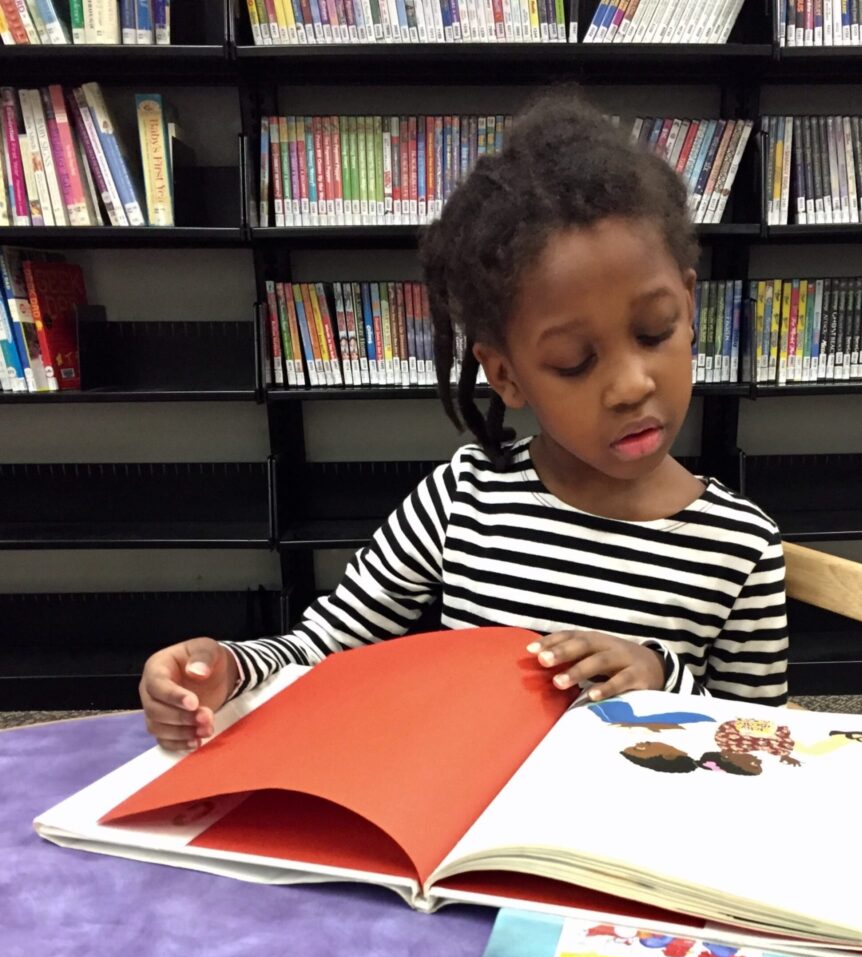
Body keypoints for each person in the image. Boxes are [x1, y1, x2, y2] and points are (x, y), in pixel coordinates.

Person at [139, 90, 789, 751]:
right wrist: (224, 670)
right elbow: (323, 647)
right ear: (506, 376)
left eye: (655, 332)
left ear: (688, 299)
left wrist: (660, 676)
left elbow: (765, 743)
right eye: (572, 362)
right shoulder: (465, 498)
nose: (630, 385)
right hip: (469, 830)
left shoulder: (741, 546)